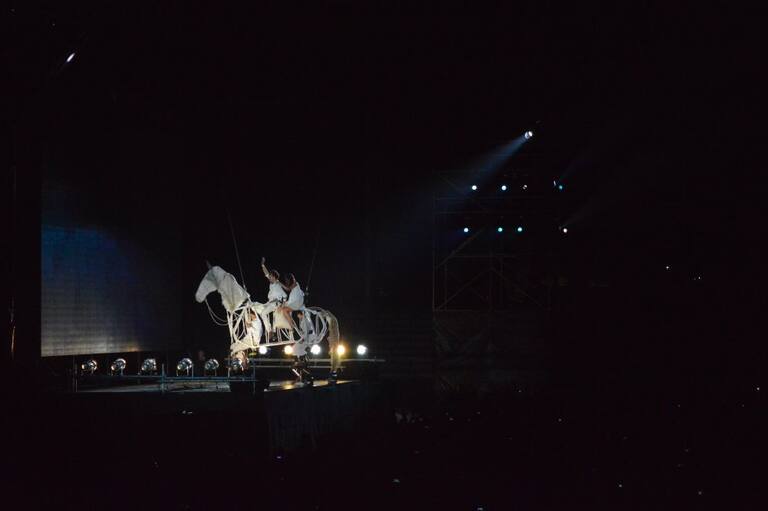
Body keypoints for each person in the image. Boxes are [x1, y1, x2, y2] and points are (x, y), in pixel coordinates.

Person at [259, 257, 287, 341]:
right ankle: (270, 331)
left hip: (276, 304)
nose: (269, 278)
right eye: (270, 277)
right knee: (262, 313)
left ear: (275, 278)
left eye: (271, 277)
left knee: (273, 316)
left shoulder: (278, 285)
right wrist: (263, 265)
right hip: (270, 303)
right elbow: (266, 274)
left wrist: (283, 305)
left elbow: (285, 296)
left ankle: (272, 332)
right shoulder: (272, 283)